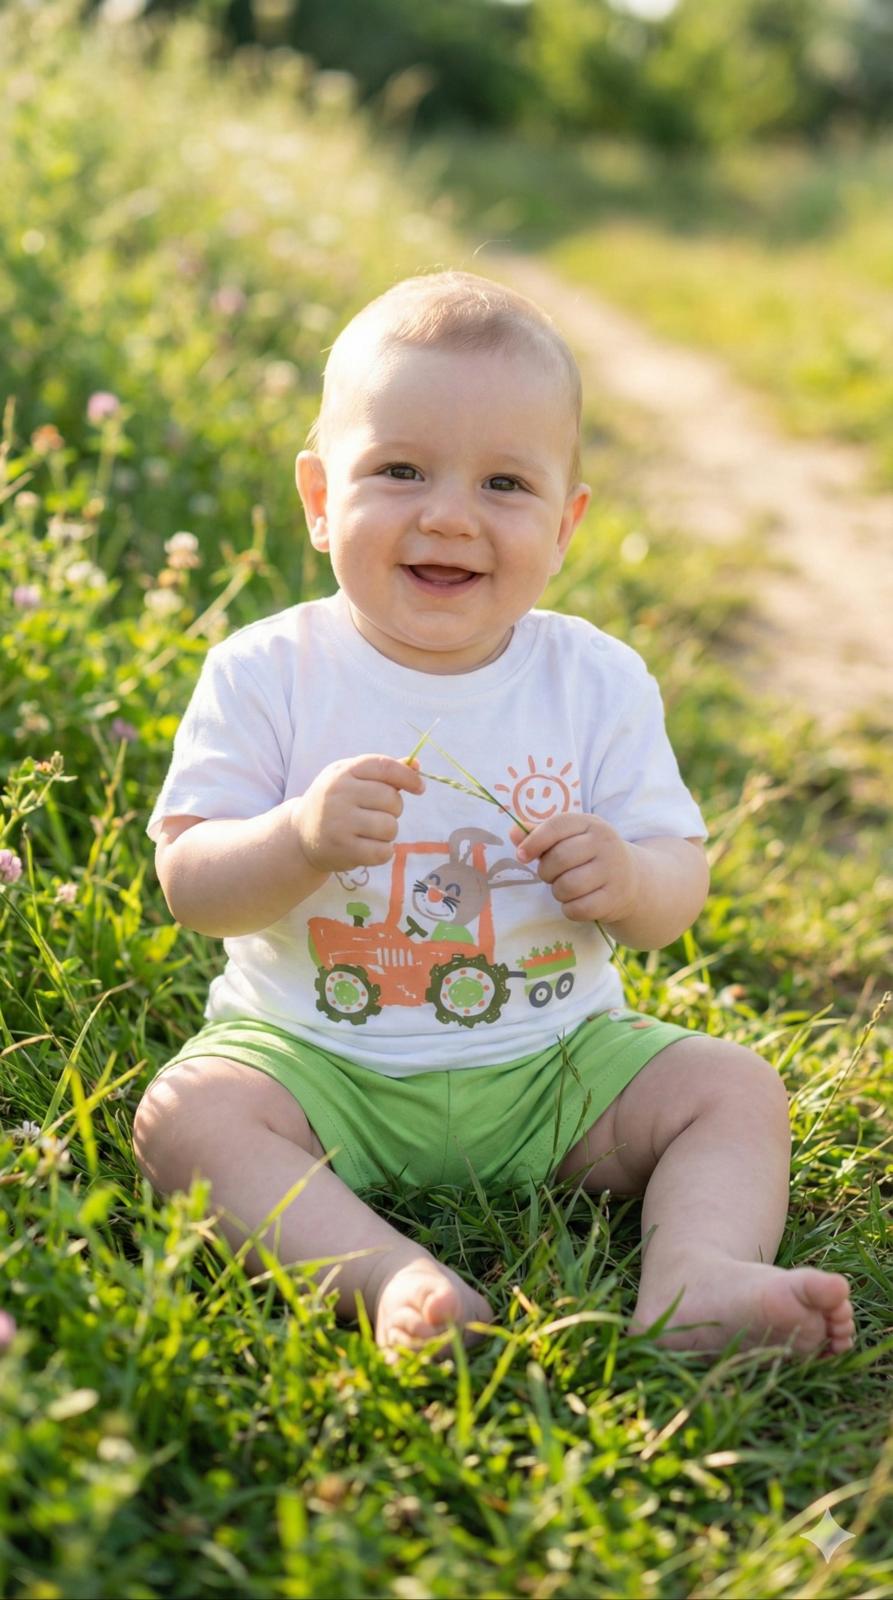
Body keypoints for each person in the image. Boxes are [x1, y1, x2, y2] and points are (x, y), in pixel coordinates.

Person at [134, 270, 854, 1358]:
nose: (447, 514)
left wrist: (628, 876)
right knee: (187, 1115)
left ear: (564, 524)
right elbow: (190, 882)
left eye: (503, 483)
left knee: (730, 1086)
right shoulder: (267, 670)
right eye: (400, 469)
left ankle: (696, 1276)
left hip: (557, 1066)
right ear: (320, 500)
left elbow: (674, 885)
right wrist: (295, 839)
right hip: (318, 1063)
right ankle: (387, 1277)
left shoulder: (592, 678)